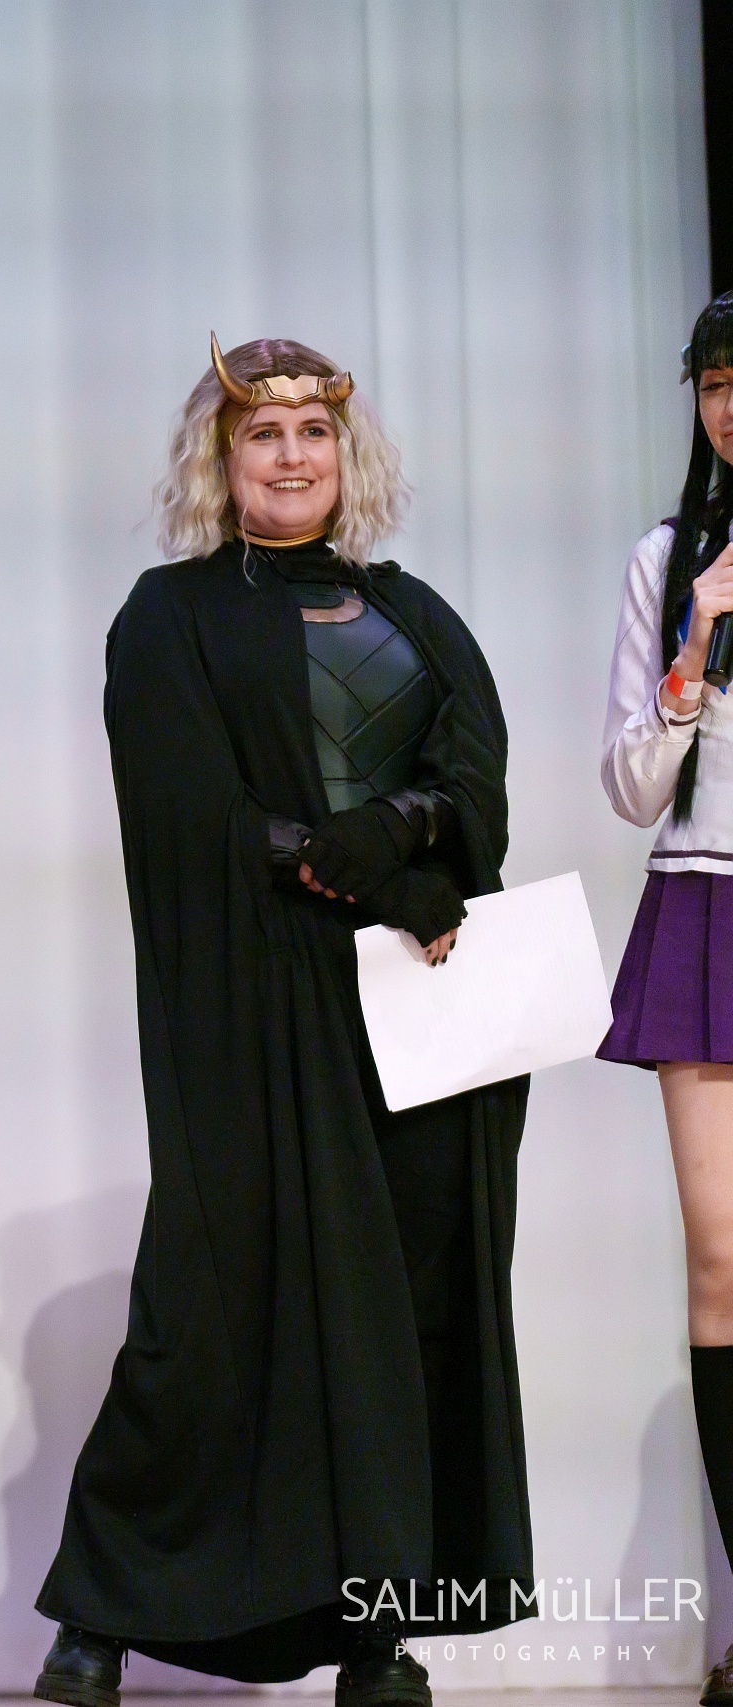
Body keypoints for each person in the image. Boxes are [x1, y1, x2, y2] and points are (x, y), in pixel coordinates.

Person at [32, 337, 530, 1707]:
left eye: (315, 431)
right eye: (264, 433)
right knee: (209, 1304)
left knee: (401, 1316)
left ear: (346, 453)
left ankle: (378, 1630)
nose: (293, 454)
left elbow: (475, 784)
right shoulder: (169, 614)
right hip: (252, 1000)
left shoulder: (416, 612)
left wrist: (404, 837)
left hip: (416, 1012)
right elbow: (188, 810)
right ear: (223, 458)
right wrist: (349, 861)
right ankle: (101, 1612)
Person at [596, 290, 733, 1707]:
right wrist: (698, 639)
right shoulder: (668, 558)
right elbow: (633, 786)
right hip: (707, 902)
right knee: (720, 1261)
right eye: (715, 382)